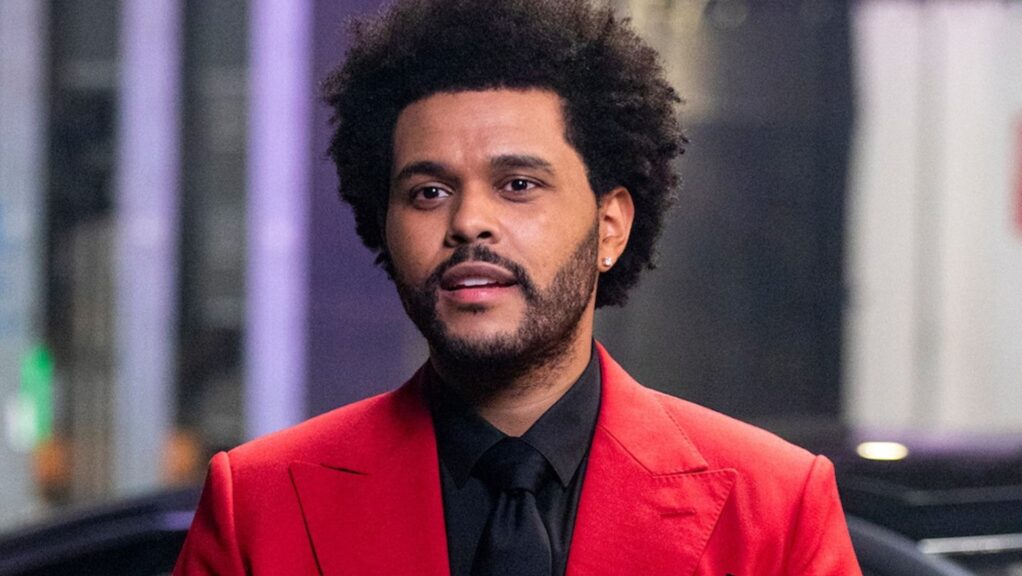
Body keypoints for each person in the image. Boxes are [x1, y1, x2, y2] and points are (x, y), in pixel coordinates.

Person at [174, 0, 862, 574]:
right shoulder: (257, 504)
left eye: (519, 185)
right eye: (428, 191)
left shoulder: (774, 508)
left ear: (611, 226)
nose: (468, 221)